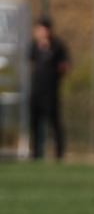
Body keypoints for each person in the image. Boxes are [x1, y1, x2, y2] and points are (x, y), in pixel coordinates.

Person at [28, 17, 69, 160]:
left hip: (51, 91)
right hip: (36, 91)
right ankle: (35, 153)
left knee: (54, 123)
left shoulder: (57, 46)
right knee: (34, 123)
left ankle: (59, 154)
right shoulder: (34, 46)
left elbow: (64, 66)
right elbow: (30, 64)